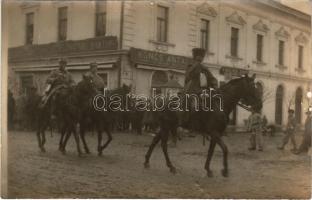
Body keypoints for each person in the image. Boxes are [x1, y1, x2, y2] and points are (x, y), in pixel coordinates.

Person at [179, 48, 218, 131]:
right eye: (198, 56)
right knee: (193, 106)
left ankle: (207, 124)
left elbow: (212, 78)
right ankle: (188, 124)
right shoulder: (190, 66)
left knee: (211, 105)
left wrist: (215, 87)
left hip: (203, 91)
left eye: (202, 57)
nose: (200, 58)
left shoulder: (204, 68)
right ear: (195, 57)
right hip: (191, 90)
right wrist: (196, 65)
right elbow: (188, 76)